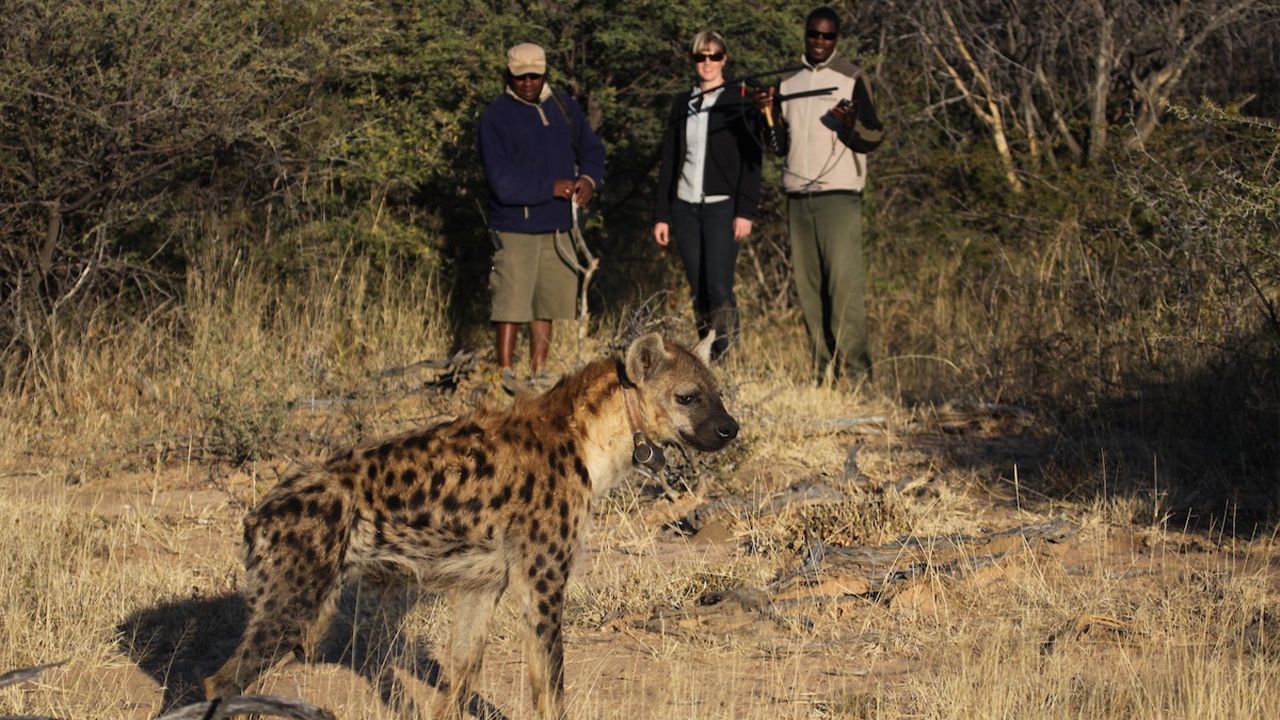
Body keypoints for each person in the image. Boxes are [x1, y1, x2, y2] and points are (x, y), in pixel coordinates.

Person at [755, 6, 884, 383]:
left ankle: (859, 376)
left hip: (839, 196)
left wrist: (850, 124)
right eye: (814, 34)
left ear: (836, 38)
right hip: (797, 195)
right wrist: (765, 113)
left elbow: (874, 137)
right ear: (806, 34)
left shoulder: (852, 78)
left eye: (828, 36)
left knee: (844, 289)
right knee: (809, 293)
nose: (820, 42)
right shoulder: (789, 81)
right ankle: (821, 375)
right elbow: (776, 145)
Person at [478, 43, 606, 385]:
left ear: (545, 73)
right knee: (511, 298)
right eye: (521, 77)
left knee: (547, 301)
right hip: (514, 224)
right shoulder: (496, 116)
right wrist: (549, 186)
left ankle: (539, 371)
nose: (529, 82)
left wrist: (588, 180)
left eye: (535, 75)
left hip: (558, 224)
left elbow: (593, 149)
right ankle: (504, 371)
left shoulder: (564, 106)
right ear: (509, 76)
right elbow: (500, 179)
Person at [653, 31, 762, 362]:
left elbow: (753, 160)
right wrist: (661, 214)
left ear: (725, 59)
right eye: (701, 57)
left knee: (718, 286)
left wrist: (745, 210)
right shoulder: (682, 103)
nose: (708, 63)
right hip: (685, 206)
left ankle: (725, 354)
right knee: (698, 287)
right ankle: (707, 356)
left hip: (721, 208)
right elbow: (670, 160)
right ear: (694, 61)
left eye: (714, 56)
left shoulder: (740, 100)